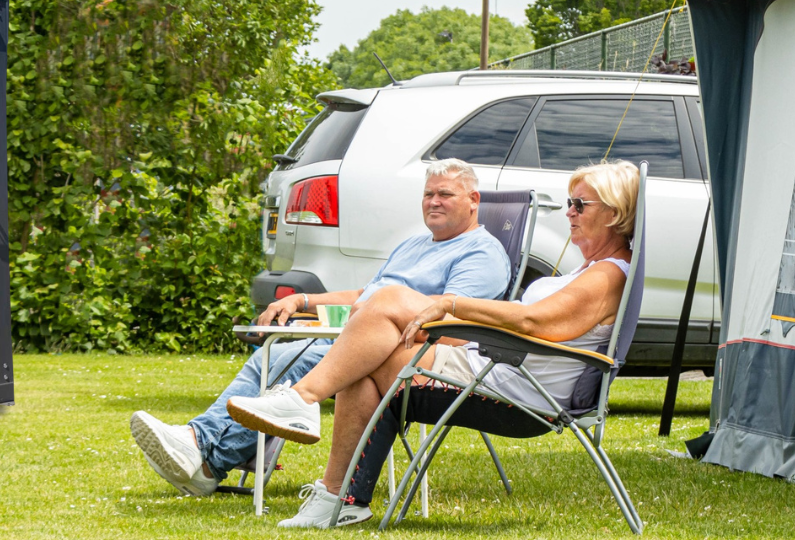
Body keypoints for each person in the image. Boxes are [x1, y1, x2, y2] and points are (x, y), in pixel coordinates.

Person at [226, 161, 639, 528]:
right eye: (569, 202)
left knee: (383, 314)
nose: (569, 212)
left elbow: (535, 322)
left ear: (615, 213)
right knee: (368, 352)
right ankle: (339, 498)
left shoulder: (607, 276)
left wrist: (452, 303)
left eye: (580, 204)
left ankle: (305, 407)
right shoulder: (586, 271)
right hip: (493, 368)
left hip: (518, 392)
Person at [128, 159, 511, 498]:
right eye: (428, 194)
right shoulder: (414, 245)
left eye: (445, 194)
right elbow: (363, 294)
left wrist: (375, 320)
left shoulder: (480, 252)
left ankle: (200, 447)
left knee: (286, 359)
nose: (433, 202)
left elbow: (452, 322)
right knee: (273, 354)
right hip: (358, 337)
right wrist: (303, 300)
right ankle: (205, 459)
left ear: (473, 200)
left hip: (402, 354)